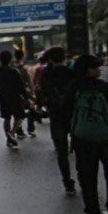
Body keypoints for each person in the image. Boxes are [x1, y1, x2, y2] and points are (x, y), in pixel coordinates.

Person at [60, 54, 108, 214]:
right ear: (88, 69)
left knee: (88, 179)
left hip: (83, 142)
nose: (99, 69)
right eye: (95, 67)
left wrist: (74, 132)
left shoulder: (73, 88)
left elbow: (65, 114)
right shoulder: (105, 88)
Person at [40, 47, 77, 196]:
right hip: (73, 116)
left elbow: (43, 95)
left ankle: (67, 182)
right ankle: (84, 177)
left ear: (50, 59)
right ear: (64, 58)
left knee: (62, 152)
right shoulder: (72, 74)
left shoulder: (46, 75)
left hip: (56, 116)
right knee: (80, 148)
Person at [0, 50, 27, 149]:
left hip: (2, 99)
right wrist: (28, 97)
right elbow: (21, 87)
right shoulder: (14, 72)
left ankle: (8, 139)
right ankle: (12, 133)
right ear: (10, 59)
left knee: (7, 118)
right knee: (19, 117)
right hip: (15, 98)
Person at [12, 50, 36, 138]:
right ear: (23, 56)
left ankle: (19, 132)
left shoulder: (11, 66)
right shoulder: (24, 68)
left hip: (14, 94)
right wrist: (33, 93)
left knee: (17, 113)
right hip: (25, 93)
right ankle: (31, 129)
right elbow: (30, 82)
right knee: (31, 110)